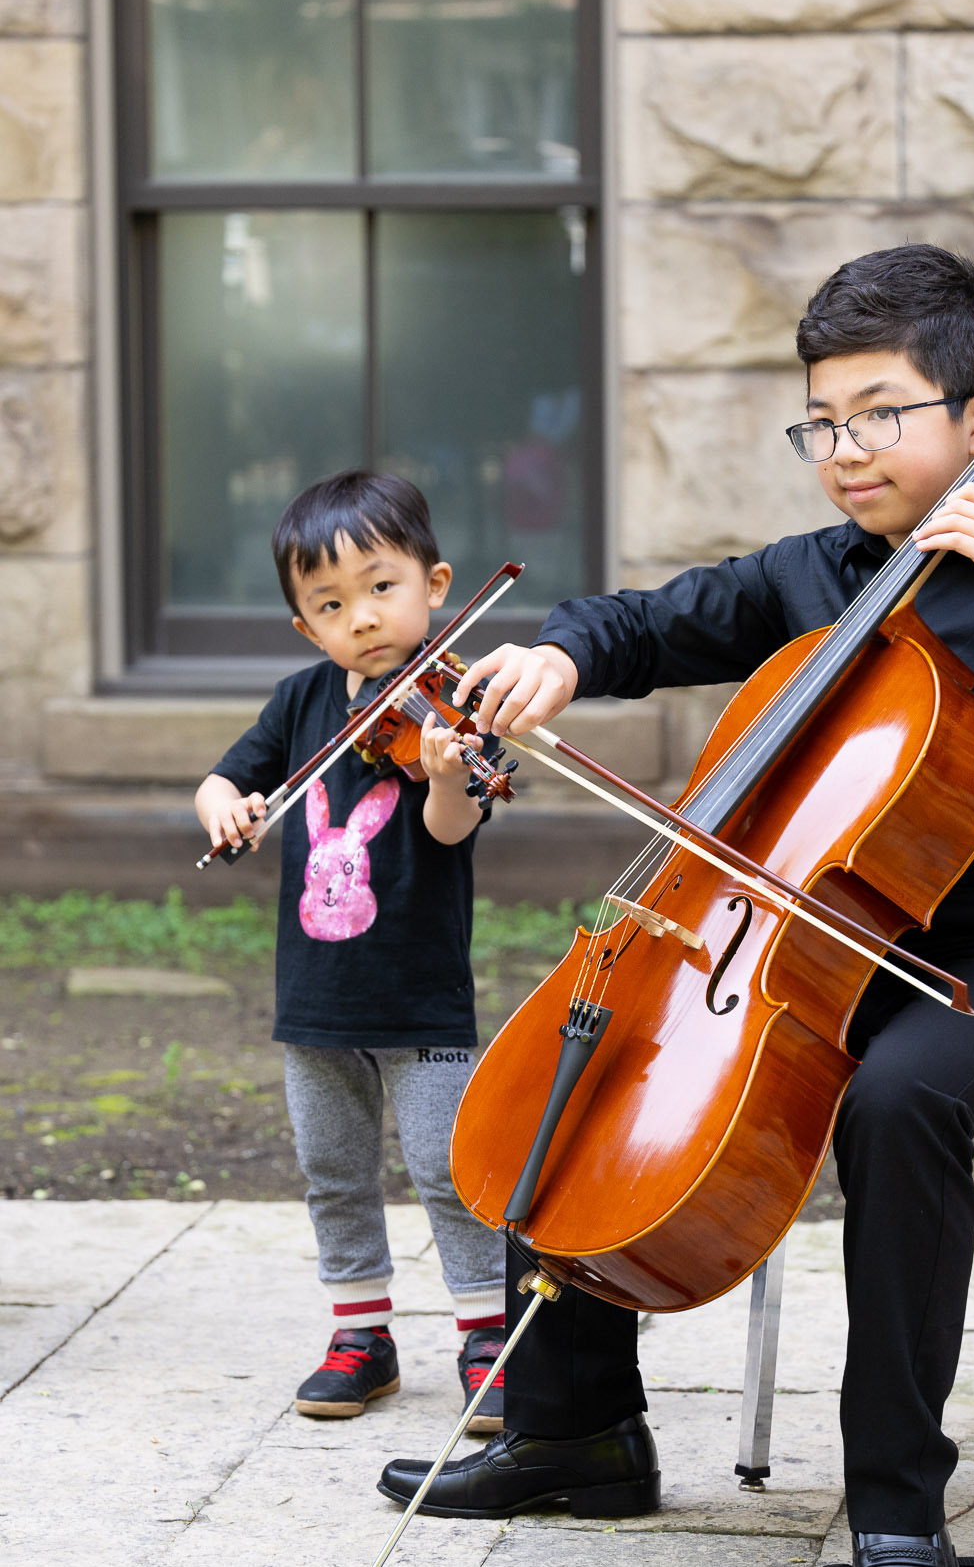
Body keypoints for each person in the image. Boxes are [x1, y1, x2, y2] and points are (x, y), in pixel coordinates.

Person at [376, 246, 974, 1567]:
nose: (843, 449)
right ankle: (573, 1434)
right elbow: (654, 621)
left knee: (901, 1100)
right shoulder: (811, 574)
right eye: (821, 422)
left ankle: (895, 1500)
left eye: (878, 415)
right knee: (592, 1026)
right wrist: (560, 651)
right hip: (818, 936)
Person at [195, 471, 508, 1433]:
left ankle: (489, 1337)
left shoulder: (458, 703)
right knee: (331, 1169)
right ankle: (361, 1336)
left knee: (449, 1170)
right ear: (306, 627)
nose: (363, 617)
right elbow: (224, 779)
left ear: (436, 583)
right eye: (331, 604)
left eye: (382, 587)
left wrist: (446, 774)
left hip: (423, 998)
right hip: (319, 999)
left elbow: (451, 830)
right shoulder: (301, 703)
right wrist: (223, 802)